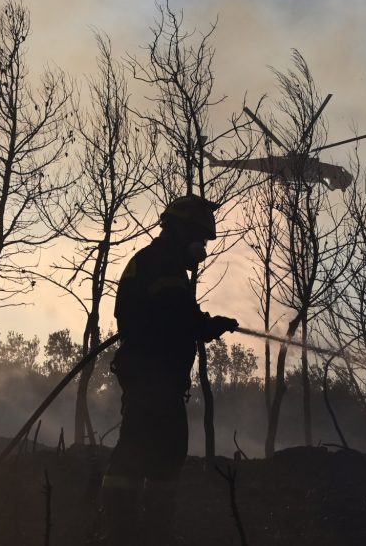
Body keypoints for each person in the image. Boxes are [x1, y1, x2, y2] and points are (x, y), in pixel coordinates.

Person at [95, 195, 239, 545]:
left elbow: (168, 315)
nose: (202, 246)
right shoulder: (162, 264)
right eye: (201, 238)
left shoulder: (155, 261)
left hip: (151, 376)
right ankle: (134, 532)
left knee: (147, 452)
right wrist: (209, 325)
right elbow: (175, 316)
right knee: (157, 452)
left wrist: (204, 325)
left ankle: (130, 530)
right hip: (153, 377)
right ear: (181, 230)